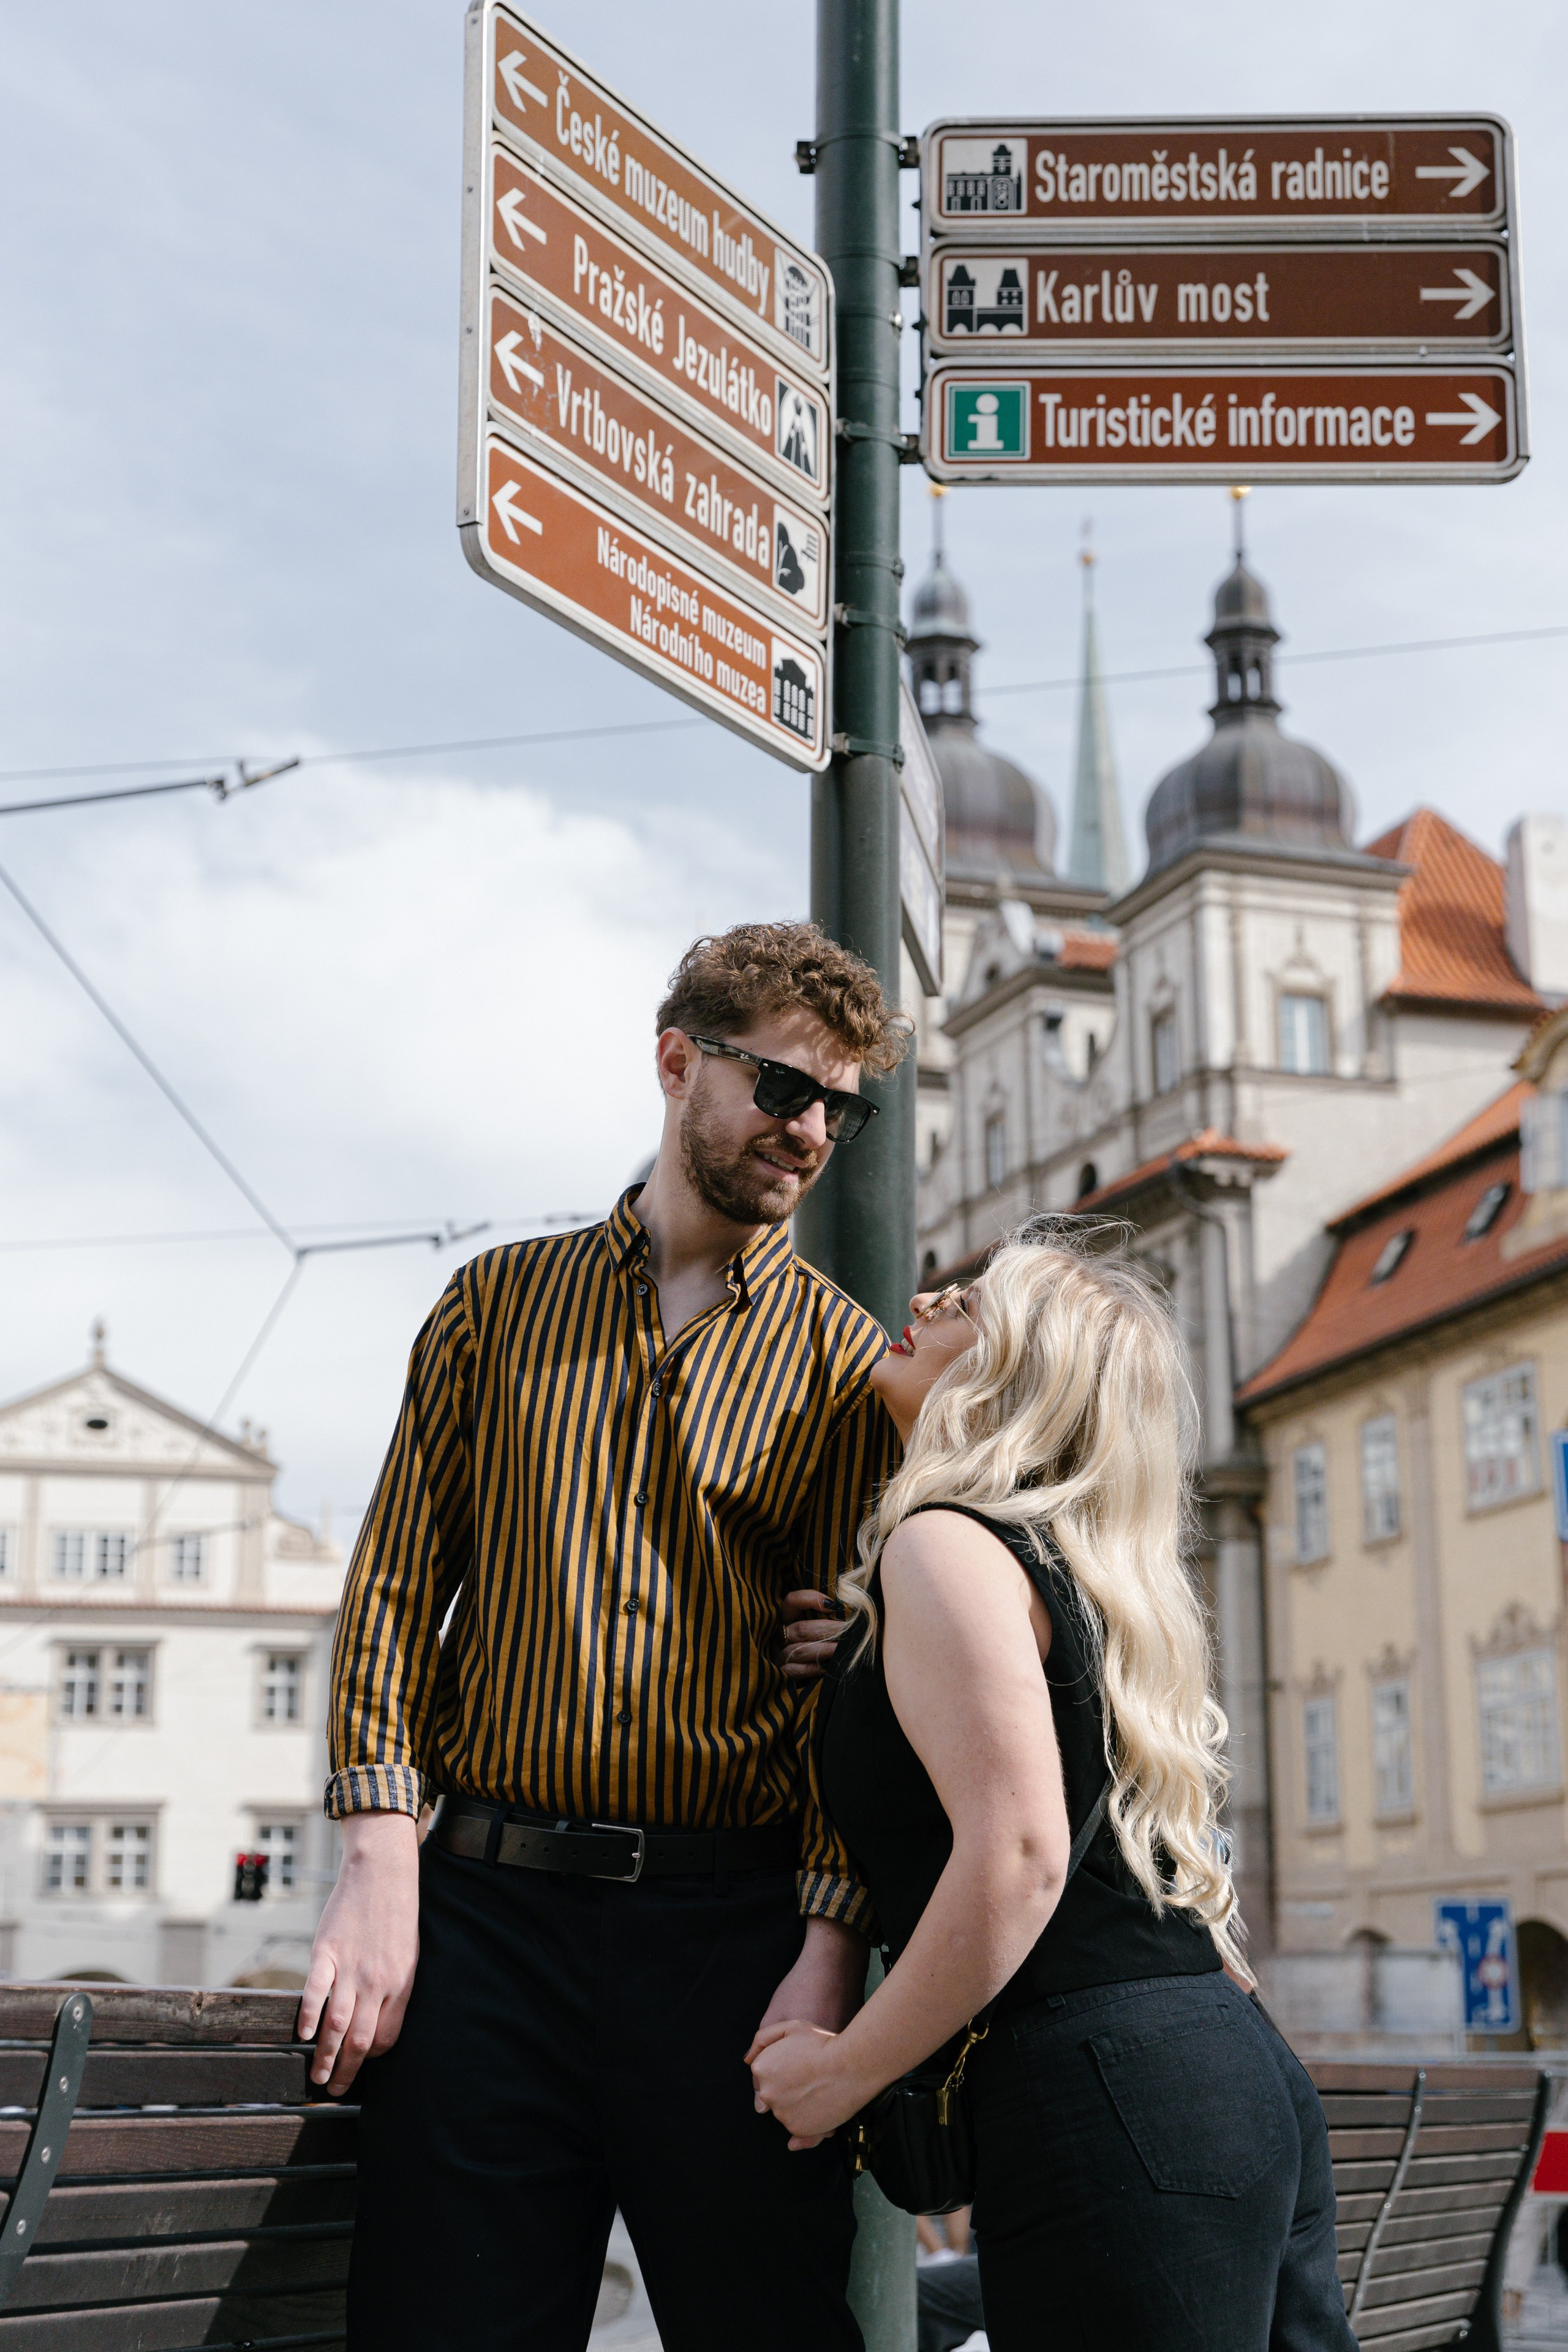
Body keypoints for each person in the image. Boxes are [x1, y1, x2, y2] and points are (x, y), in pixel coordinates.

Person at [301, 921, 908, 2352]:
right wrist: (380, 1864)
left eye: (840, 1106)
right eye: (780, 1087)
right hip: (483, 1927)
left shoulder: (842, 1363)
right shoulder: (493, 1307)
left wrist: (824, 1950)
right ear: (676, 1062)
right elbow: (393, 1584)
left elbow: (849, 1700)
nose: (809, 1130)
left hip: (730, 1943)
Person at [749, 1232, 1358, 2352]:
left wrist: (843, 2070)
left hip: (1110, 2091)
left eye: (968, 1305)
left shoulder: (942, 1546)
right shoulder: (1073, 1573)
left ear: (1011, 1377)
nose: (925, 1296)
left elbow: (1021, 1853)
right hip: (1225, 2070)